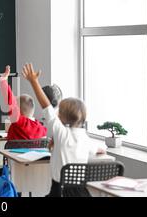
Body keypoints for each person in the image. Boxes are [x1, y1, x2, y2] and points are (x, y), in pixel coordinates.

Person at [21, 63, 106, 197]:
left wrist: (34, 81)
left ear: (60, 115)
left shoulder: (61, 133)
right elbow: (100, 149)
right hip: (81, 192)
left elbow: (46, 106)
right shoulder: (85, 138)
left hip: (59, 192)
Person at [0, 65, 47, 140]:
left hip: (12, 152)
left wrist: (3, 80)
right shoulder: (43, 130)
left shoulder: (20, 122)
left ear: (18, 111)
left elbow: (10, 100)